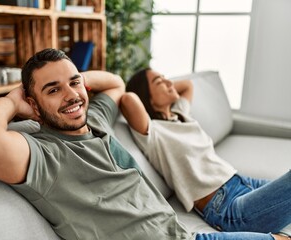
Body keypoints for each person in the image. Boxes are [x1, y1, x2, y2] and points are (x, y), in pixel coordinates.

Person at [0, 48, 288, 240]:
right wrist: (15, 100)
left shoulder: (96, 120)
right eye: (52, 90)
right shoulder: (43, 155)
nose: (71, 95)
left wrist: (74, 83)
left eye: (74, 84)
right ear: (34, 102)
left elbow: (115, 83)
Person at [120, 67, 291, 236]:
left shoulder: (180, 114)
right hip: (226, 206)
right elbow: (128, 99)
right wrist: (142, 89)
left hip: (243, 182)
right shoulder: (153, 133)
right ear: (146, 96)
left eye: (166, 77)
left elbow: (187, 85)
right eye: (159, 82)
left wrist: (164, 85)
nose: (167, 82)